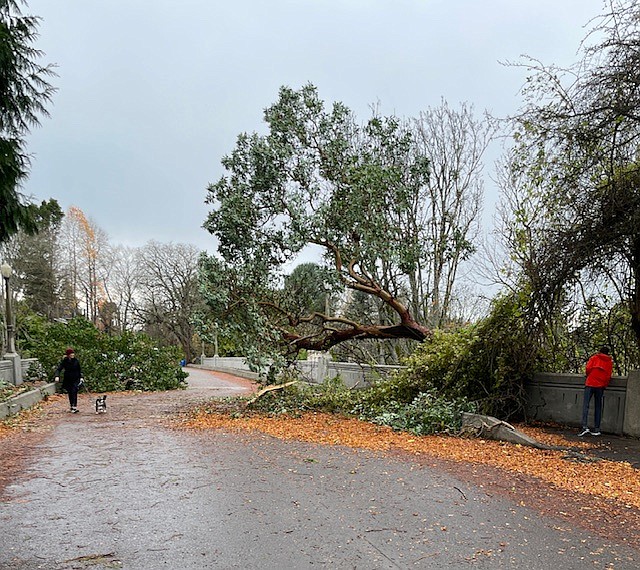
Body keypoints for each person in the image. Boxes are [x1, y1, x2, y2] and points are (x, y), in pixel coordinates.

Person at [578, 345, 613, 437]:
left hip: (590, 383)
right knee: (598, 407)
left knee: (586, 405)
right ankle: (597, 429)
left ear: (600, 351)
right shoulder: (609, 362)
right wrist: (604, 385)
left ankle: (584, 427)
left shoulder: (594, 358)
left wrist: (590, 376)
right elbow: (608, 375)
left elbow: (588, 369)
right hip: (600, 385)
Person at [55, 348, 83, 413]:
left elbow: (80, 370)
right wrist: (57, 376)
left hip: (76, 378)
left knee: (74, 391)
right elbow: (59, 369)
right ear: (68, 355)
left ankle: (74, 406)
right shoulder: (65, 361)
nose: (72, 355)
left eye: (73, 353)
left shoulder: (76, 361)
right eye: (71, 354)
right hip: (68, 379)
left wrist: (81, 377)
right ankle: (72, 406)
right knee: (70, 392)